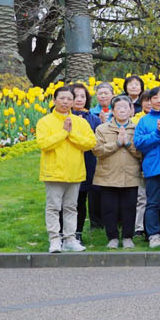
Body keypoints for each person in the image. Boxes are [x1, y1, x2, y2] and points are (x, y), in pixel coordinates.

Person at [37, 85, 97, 253]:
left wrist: (71, 134)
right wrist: (63, 133)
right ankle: (55, 240)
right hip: (53, 172)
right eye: (62, 98)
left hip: (75, 172)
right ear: (54, 100)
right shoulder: (45, 121)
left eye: (69, 99)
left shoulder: (80, 122)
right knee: (53, 207)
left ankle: (70, 239)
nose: (65, 102)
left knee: (71, 207)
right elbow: (44, 144)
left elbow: (90, 143)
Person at [92, 96, 142, 249]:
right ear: (112, 111)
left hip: (130, 175)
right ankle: (112, 237)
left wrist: (128, 143)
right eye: (118, 107)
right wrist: (117, 143)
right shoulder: (102, 129)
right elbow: (97, 150)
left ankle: (127, 237)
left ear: (131, 110)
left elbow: (142, 152)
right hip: (108, 175)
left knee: (129, 208)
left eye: (126, 107)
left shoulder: (137, 128)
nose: (122, 110)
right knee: (109, 209)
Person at [133, 87, 160, 248]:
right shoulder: (143, 121)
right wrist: (157, 134)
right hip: (153, 166)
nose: (159, 100)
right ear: (149, 101)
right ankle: (154, 235)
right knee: (152, 203)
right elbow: (139, 143)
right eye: (156, 97)